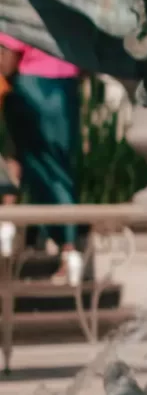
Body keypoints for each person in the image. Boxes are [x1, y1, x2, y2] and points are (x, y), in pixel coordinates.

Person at [0, 35, 80, 256]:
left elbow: (9, 52)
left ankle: (9, 225)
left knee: (23, 159)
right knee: (60, 167)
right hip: (66, 84)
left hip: (32, 88)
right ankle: (67, 248)